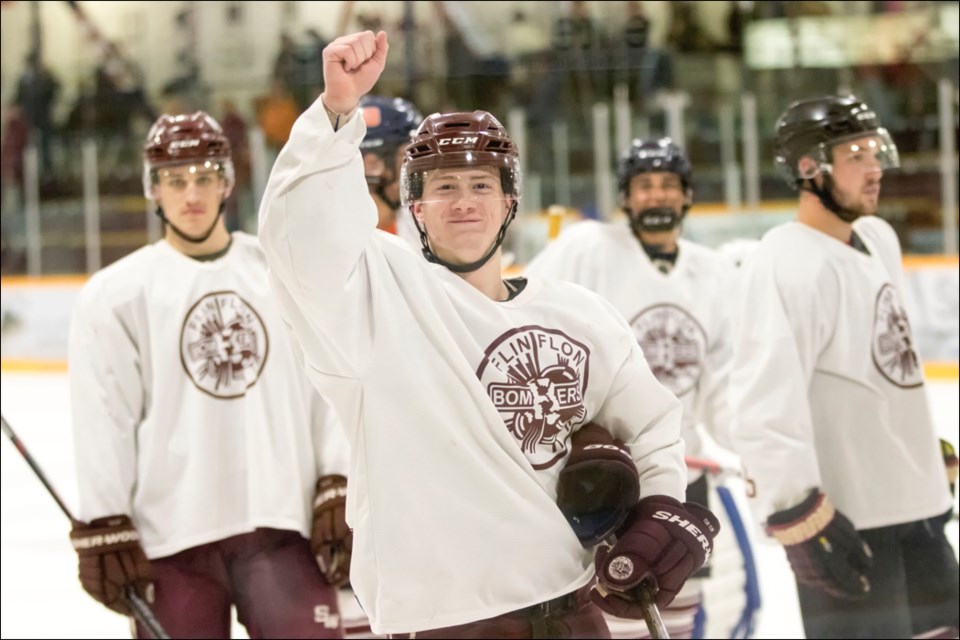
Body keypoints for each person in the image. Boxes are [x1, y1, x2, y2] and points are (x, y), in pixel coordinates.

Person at [258, 30, 720, 638]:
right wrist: (337, 112)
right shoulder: (376, 303)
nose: (464, 202)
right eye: (443, 187)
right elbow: (301, 235)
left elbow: (653, 428)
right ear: (414, 208)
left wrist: (659, 510)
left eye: (482, 185)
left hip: (573, 610)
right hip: (452, 622)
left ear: (509, 203)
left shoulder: (580, 314)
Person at [67, 110, 350, 639]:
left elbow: (326, 378)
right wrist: (105, 520)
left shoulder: (279, 267)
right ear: (154, 189)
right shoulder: (115, 295)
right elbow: (104, 416)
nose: (191, 193)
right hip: (172, 538)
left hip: (282, 524)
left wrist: (338, 478)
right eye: (175, 180)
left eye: (204, 176)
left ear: (227, 181)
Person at [728, 95, 959, 639]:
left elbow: (884, 365)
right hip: (848, 523)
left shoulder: (879, 239)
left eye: (875, 150)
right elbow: (764, 401)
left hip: (916, 509)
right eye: (855, 154)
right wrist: (794, 513)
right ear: (809, 168)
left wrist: (921, 453)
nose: (874, 167)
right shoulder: (783, 263)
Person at [525, 138, 748, 639]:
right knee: (608, 606)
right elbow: (519, 312)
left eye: (668, 185)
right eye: (644, 186)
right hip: (600, 469)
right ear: (625, 197)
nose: (656, 196)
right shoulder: (585, 248)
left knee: (677, 605)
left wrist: (754, 446)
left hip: (682, 466)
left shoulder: (713, 273)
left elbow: (721, 386)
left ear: (687, 196)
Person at [358, 94, 423, 244]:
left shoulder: (422, 224)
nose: (417, 167)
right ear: (372, 165)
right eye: (406, 156)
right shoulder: (328, 236)